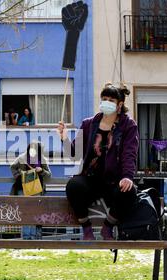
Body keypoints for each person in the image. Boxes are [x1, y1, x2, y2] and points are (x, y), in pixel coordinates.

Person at [58, 83, 139, 240]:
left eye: (111, 100)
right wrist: (64, 138)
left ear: (119, 104)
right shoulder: (89, 124)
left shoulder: (128, 126)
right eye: (104, 99)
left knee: (129, 191)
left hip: (114, 181)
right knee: (73, 186)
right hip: (91, 179)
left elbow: (129, 153)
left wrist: (127, 176)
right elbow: (74, 154)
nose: (106, 103)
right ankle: (86, 229)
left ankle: (107, 227)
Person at [10, 141, 52, 239]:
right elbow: (12, 167)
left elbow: (49, 176)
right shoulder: (21, 158)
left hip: (37, 190)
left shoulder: (42, 160)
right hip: (22, 189)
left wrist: (41, 171)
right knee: (25, 213)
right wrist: (19, 175)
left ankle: (32, 238)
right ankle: (26, 238)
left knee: (34, 213)